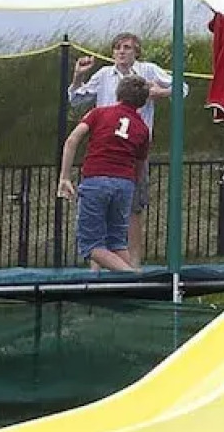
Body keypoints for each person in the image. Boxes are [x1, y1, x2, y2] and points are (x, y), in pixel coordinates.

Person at [67, 32, 183, 263]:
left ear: (136, 51)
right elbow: (77, 99)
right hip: (103, 149)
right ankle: (99, 271)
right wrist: (78, 77)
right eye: (117, 47)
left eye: (127, 47)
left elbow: (182, 87)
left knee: (133, 208)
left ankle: (134, 265)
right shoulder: (103, 75)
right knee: (99, 210)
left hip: (133, 150)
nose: (121, 51)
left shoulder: (148, 71)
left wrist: (161, 92)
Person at [58, 75, 151, 272]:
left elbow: (72, 141)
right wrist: (132, 185)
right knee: (116, 242)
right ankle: (132, 279)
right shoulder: (142, 128)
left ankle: (132, 276)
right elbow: (140, 165)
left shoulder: (99, 113)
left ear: (118, 93)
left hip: (96, 179)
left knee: (91, 245)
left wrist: (65, 177)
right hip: (124, 183)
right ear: (143, 101)